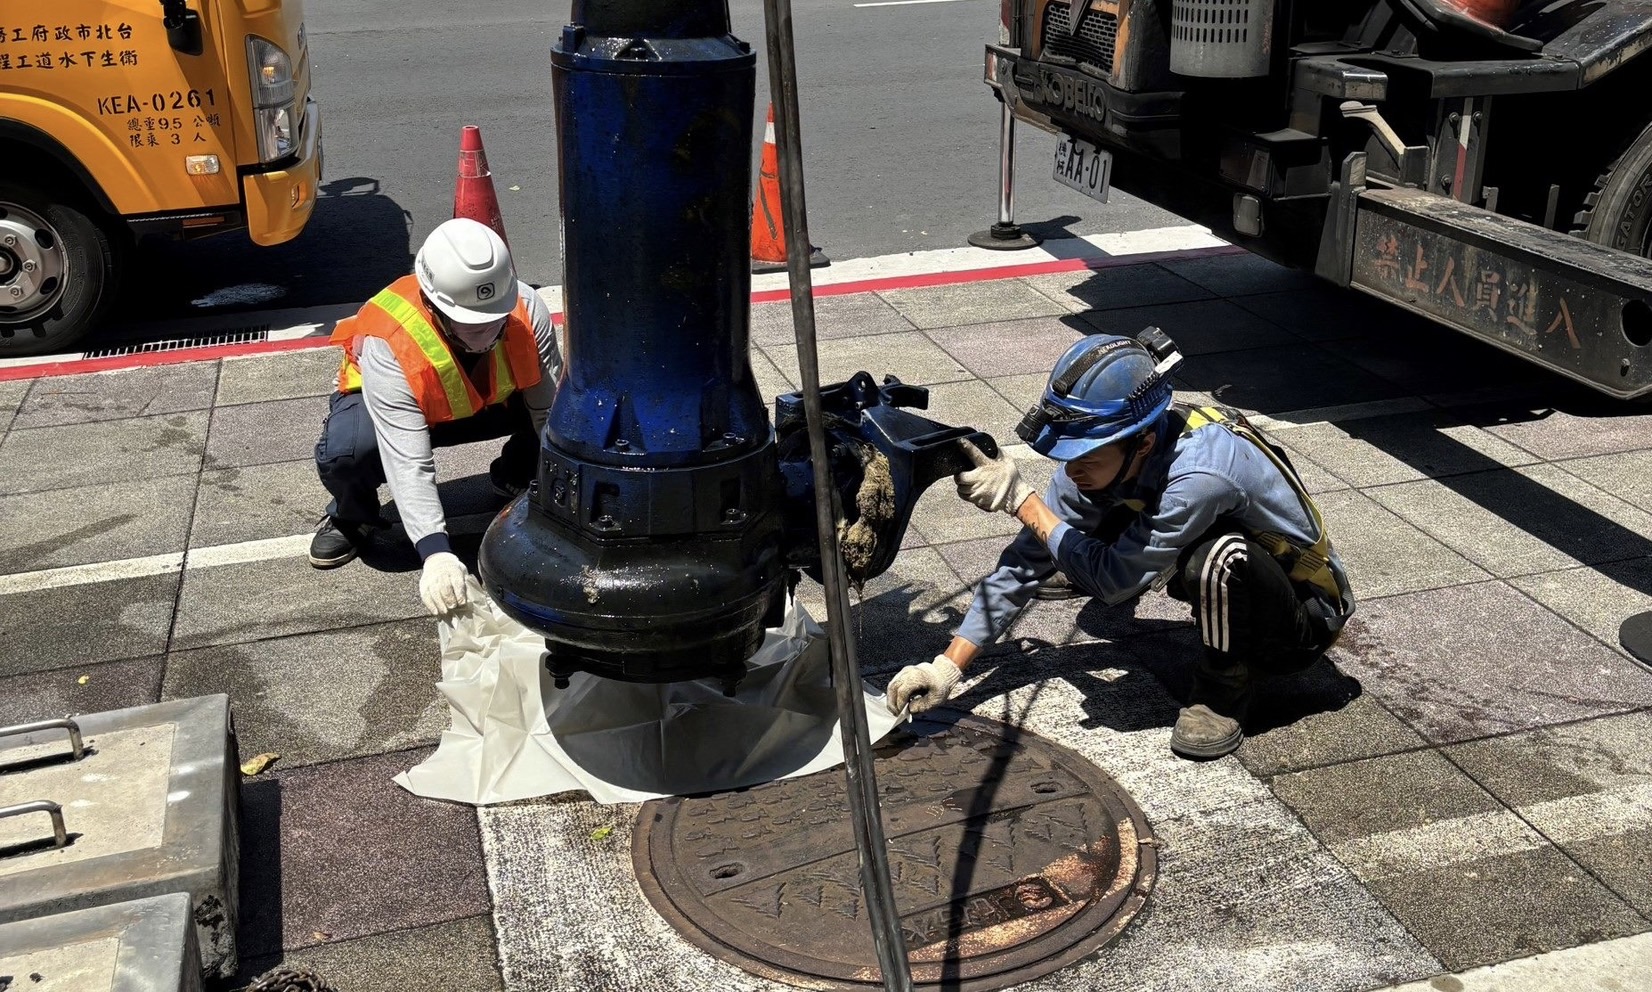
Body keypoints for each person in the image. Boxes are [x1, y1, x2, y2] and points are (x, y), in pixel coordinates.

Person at [886, 329, 1355, 759]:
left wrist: (1024, 503)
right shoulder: (1105, 456)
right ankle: (1092, 556)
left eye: (1084, 453)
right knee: (1067, 528)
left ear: (1144, 441)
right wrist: (946, 668)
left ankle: (1221, 691)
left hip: (1302, 615)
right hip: (1216, 554)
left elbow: (1113, 584)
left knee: (1214, 560)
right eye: (1067, 452)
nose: (1072, 468)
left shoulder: (1202, 475)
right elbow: (1022, 565)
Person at [308, 218, 562, 617]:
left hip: (485, 402)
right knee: (349, 452)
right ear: (433, 305)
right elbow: (407, 458)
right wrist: (434, 551)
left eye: (494, 317)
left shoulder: (526, 310)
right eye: (471, 323)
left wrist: (565, 492)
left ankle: (515, 471)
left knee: (568, 415)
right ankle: (351, 517)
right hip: (400, 412)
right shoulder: (391, 339)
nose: (487, 332)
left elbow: (551, 414)